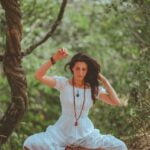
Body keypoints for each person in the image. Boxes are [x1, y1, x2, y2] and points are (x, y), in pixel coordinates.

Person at [23, 48, 128, 150]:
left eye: (84, 69)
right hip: (61, 132)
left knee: (120, 146)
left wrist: (104, 81)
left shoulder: (93, 89)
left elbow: (115, 102)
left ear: (87, 71)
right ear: (72, 68)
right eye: (78, 68)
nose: (80, 72)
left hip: (86, 134)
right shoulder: (63, 83)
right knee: (31, 143)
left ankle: (81, 148)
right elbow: (39, 76)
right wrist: (54, 58)